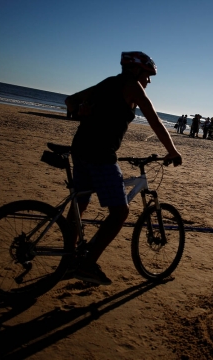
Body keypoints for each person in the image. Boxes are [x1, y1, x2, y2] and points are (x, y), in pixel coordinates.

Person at [64, 51, 183, 285]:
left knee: (81, 202)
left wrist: (81, 112)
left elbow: (70, 101)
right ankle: (86, 265)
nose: (148, 81)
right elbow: (155, 121)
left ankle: (68, 259)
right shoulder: (132, 87)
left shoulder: (108, 82)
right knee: (120, 212)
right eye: (147, 75)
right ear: (136, 71)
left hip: (80, 149)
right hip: (100, 155)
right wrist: (173, 150)